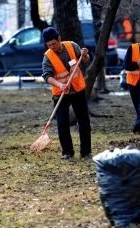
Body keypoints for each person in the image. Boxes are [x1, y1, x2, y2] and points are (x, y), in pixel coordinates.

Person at [41, 27, 91, 160]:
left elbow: (84, 61)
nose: (52, 47)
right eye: (49, 45)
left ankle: (86, 152)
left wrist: (85, 55)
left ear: (59, 39)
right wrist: (60, 85)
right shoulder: (48, 57)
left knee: (84, 121)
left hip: (78, 90)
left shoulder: (72, 46)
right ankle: (67, 152)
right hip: (60, 93)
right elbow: (47, 76)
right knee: (62, 124)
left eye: (54, 43)